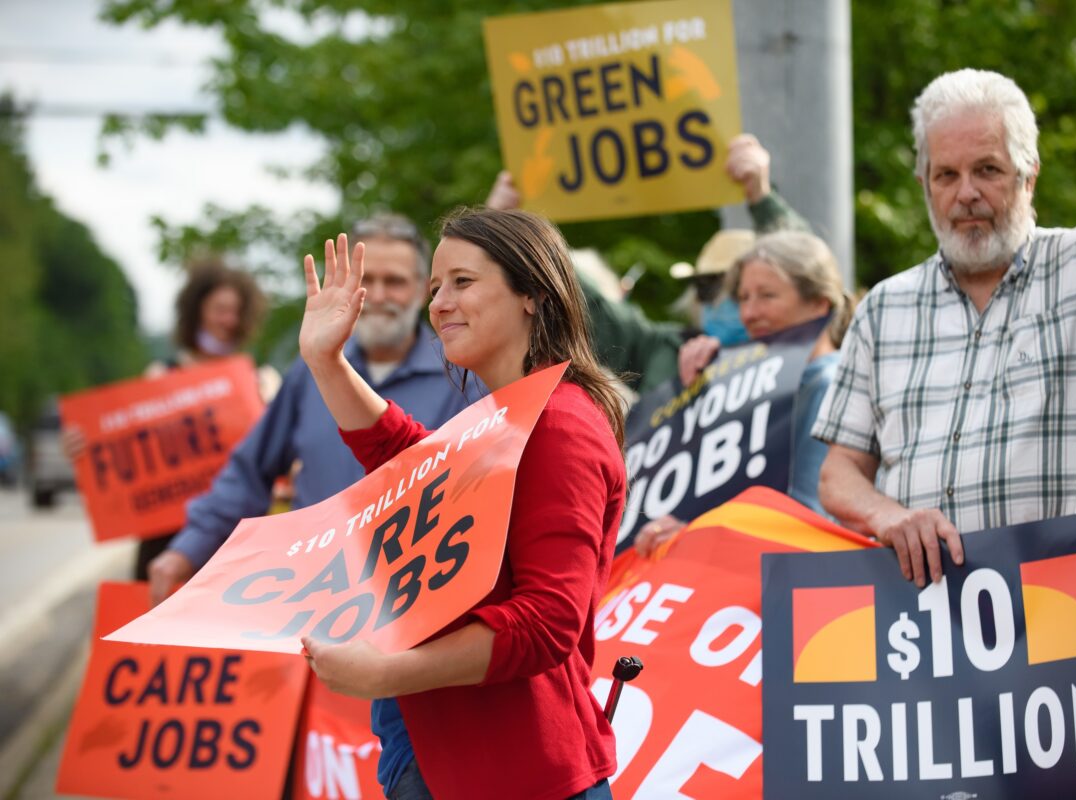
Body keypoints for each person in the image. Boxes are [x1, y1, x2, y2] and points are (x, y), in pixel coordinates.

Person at [813, 0, 1076, 588]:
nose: (966, 193)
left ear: (1029, 174)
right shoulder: (882, 309)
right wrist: (890, 518)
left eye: (988, 169)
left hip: (1065, 617)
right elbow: (839, 473)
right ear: (924, 185)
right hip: (922, 631)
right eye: (947, 175)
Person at [298, 209, 627, 800]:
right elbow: (409, 460)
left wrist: (386, 673)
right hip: (448, 751)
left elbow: (549, 621)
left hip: (514, 770)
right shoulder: (510, 412)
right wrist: (327, 361)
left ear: (532, 293)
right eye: (434, 287)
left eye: (462, 282)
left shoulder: (559, 424)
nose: (439, 303)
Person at [147, 214, 475, 797]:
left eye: (399, 281)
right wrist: (184, 551)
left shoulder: (464, 375)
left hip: (411, 642)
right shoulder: (308, 374)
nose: (379, 295)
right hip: (308, 632)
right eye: (365, 277)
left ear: (425, 288)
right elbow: (247, 474)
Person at [485, 132, 813, 393]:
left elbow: (810, 269)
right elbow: (583, 302)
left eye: (739, 287)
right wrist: (508, 231)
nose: (722, 299)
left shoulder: (802, 350)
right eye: (707, 286)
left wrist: (760, 195)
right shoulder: (662, 350)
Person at [635, 231, 855, 555]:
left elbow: (806, 519)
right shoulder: (753, 380)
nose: (748, 314)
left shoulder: (826, 384)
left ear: (819, 304)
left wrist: (697, 535)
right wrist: (715, 374)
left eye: (767, 296)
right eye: (744, 298)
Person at [64, 259, 273, 578]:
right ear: (196, 312)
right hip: (164, 542)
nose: (228, 320)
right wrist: (84, 448)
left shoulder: (262, 383)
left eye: (235, 311)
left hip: (234, 546)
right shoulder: (159, 378)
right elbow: (122, 450)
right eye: (220, 309)